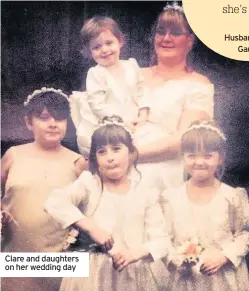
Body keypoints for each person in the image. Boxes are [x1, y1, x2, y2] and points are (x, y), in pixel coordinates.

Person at [44, 115, 169, 291]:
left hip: (131, 276)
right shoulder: (90, 183)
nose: (109, 157)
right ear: (95, 158)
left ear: (131, 153)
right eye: (102, 152)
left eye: (116, 149)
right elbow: (55, 202)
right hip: (93, 275)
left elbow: (161, 241)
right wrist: (91, 228)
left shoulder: (144, 190)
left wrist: (135, 253)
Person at [1, 87, 87, 291]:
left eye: (59, 118)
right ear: (29, 122)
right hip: (15, 253)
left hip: (60, 257)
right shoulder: (13, 155)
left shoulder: (78, 163)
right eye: (44, 117)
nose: (52, 124)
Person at [160, 120, 249, 291]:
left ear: (220, 158)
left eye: (207, 156)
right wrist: (177, 260)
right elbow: (164, 238)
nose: (199, 162)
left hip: (222, 279)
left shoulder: (232, 196)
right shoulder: (171, 197)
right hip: (186, 281)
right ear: (183, 156)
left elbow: (244, 234)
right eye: (191, 155)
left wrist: (224, 257)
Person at [134, 3, 214, 188]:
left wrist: (131, 155)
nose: (166, 38)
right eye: (161, 31)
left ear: (190, 41)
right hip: (113, 165)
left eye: (176, 33)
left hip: (160, 172)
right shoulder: (134, 73)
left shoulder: (199, 85)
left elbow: (183, 141)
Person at [71, 16, 149, 155]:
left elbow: (141, 91)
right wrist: (122, 121)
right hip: (109, 123)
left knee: (148, 141)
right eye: (97, 47)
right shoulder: (96, 73)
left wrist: (143, 114)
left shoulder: (131, 65)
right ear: (89, 52)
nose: (104, 50)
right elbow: (97, 106)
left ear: (120, 41)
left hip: (135, 121)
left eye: (109, 43)